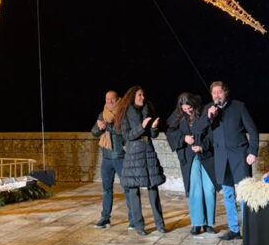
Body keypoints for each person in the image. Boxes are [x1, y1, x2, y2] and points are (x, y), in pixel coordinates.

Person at [194, 81, 258, 241]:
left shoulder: (239, 107)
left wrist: (252, 151)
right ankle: (234, 229)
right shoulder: (209, 109)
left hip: (240, 156)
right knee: (228, 194)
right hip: (222, 159)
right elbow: (197, 130)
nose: (217, 95)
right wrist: (208, 117)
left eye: (219, 92)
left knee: (244, 194)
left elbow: (253, 130)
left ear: (226, 93)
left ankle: (248, 229)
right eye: (214, 93)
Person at [115, 85, 167, 235]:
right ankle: (139, 225)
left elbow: (153, 135)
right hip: (134, 154)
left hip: (148, 151)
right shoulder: (125, 112)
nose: (142, 98)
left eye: (143, 95)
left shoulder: (147, 110)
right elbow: (127, 135)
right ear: (132, 97)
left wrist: (154, 128)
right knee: (133, 190)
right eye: (139, 95)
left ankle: (160, 224)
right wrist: (141, 126)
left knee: (153, 187)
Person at [166, 92, 218, 236]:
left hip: (206, 155)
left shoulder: (204, 112)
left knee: (209, 189)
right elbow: (170, 133)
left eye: (189, 108)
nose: (187, 111)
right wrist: (184, 138)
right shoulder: (178, 116)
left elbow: (212, 133)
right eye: (184, 109)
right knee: (195, 189)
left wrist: (202, 146)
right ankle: (197, 223)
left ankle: (209, 223)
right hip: (190, 157)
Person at [90, 89, 126, 229]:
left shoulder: (123, 113)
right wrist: (100, 128)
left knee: (127, 188)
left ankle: (133, 219)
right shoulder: (103, 114)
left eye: (112, 99)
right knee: (106, 189)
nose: (109, 101)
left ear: (118, 99)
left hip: (120, 156)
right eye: (107, 99)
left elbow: (125, 133)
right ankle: (105, 218)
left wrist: (108, 127)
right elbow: (94, 132)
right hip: (106, 158)